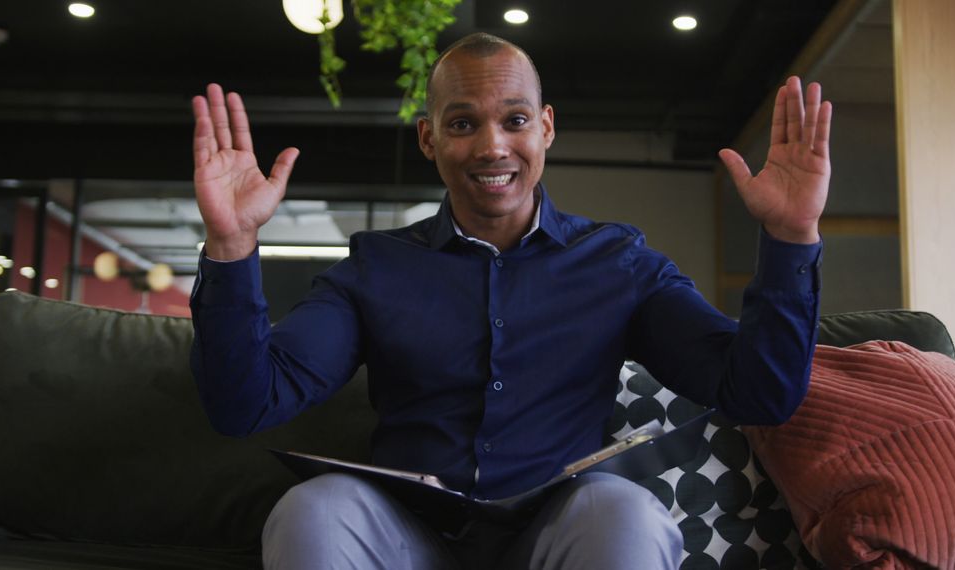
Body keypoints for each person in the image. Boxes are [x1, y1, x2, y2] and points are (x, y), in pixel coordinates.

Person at [189, 32, 830, 570]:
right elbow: (247, 403)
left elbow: (758, 394)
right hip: (407, 540)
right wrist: (231, 241)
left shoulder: (619, 262)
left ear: (545, 127)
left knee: (626, 510)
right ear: (428, 138)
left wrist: (791, 237)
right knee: (312, 508)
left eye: (515, 120)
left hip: (557, 537)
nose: (493, 145)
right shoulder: (375, 267)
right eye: (463, 123)